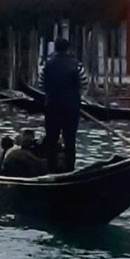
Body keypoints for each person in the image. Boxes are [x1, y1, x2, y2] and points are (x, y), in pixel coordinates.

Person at [39, 37, 89, 173]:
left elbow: (41, 85)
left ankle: (52, 170)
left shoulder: (47, 65)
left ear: (55, 49)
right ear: (68, 49)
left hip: (52, 106)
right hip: (71, 108)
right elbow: (84, 84)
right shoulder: (77, 65)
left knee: (51, 139)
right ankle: (69, 171)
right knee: (70, 140)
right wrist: (77, 97)